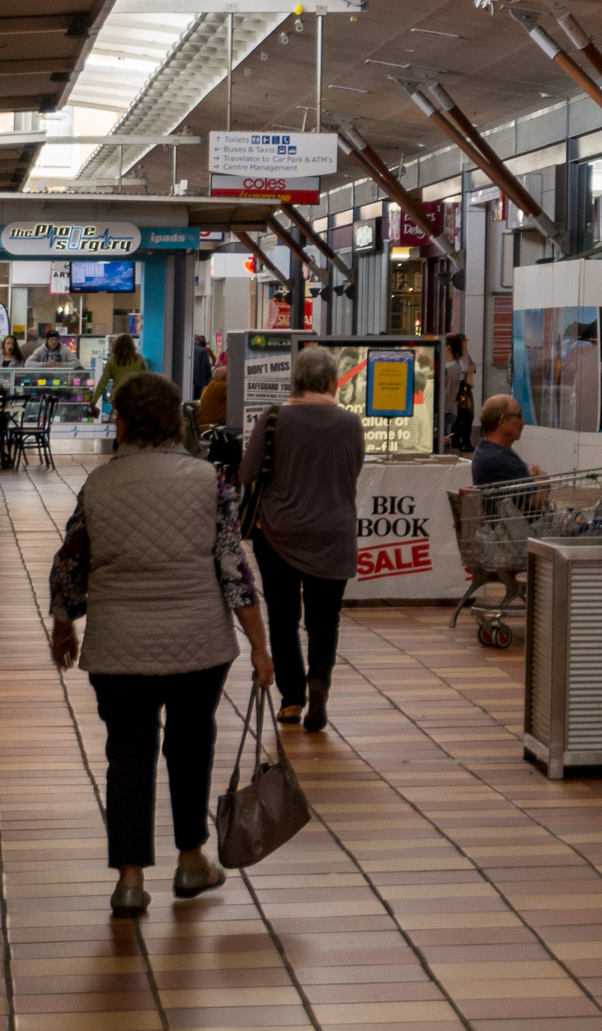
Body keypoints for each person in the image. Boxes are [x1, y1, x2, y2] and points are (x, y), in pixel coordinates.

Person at [47, 372, 274, 919]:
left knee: (128, 757)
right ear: (175, 420)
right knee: (190, 748)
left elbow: (71, 562)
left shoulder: (100, 484)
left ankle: (129, 881)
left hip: (118, 645)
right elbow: (234, 570)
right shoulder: (207, 481)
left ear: (124, 422)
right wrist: (260, 646)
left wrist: (64, 623)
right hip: (198, 643)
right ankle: (191, 861)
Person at [238, 345, 364, 733]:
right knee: (325, 620)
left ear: (295, 380)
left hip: (279, 533)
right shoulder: (350, 423)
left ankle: (292, 698)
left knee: (283, 617)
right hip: (334, 532)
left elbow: (246, 473)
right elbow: (354, 469)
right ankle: (319, 682)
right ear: (331, 381)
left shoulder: (274, 417)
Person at [472, 394, 544, 485]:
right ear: (503, 421)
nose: (523, 422)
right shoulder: (498, 459)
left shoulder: (489, 450)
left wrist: (528, 474)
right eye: (519, 415)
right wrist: (542, 478)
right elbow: (537, 493)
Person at [95, 333, 148, 408]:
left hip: (117, 396)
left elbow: (103, 382)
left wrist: (93, 401)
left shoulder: (112, 361)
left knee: (120, 414)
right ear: (132, 346)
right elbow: (146, 378)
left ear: (116, 346)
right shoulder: (139, 359)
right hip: (135, 395)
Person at [446, 333, 476, 452]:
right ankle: (462, 442)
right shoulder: (462, 354)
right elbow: (467, 368)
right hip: (463, 386)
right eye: (466, 340)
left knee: (462, 415)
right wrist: (473, 367)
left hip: (461, 386)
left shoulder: (457, 357)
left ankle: (458, 442)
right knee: (466, 414)